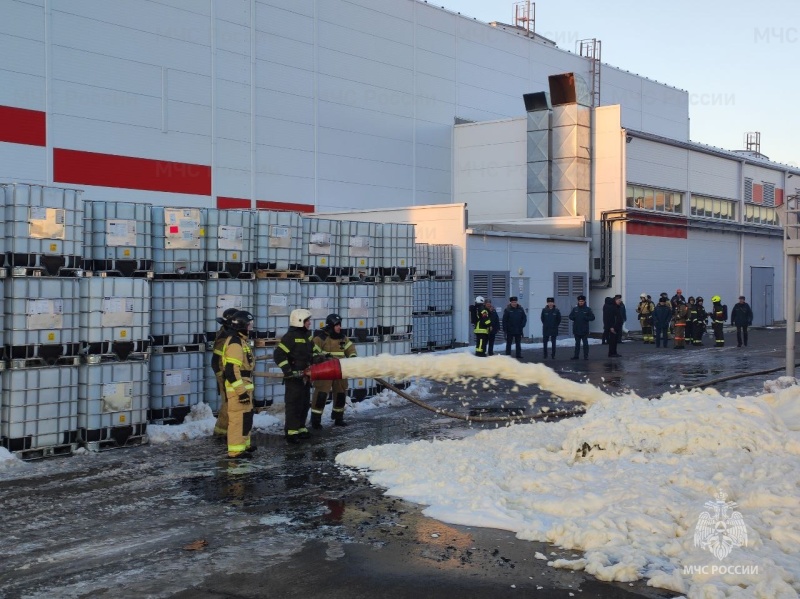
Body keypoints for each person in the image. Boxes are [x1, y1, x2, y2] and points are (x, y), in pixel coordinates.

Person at [274, 308, 324, 443]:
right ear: (300, 321)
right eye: (308, 321)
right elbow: (278, 354)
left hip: (305, 376)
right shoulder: (290, 337)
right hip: (294, 377)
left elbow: (313, 351)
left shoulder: (307, 336)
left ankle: (301, 427)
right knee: (293, 404)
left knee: (303, 403)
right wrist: (287, 370)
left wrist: (320, 358)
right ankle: (291, 432)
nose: (310, 323)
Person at [310, 313, 357, 428]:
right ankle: (316, 420)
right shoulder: (320, 338)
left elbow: (351, 350)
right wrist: (322, 357)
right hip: (324, 372)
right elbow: (312, 353)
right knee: (321, 395)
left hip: (340, 371)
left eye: (340, 325)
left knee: (341, 394)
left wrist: (353, 359)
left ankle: (338, 418)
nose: (339, 327)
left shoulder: (343, 338)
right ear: (331, 325)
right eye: (337, 325)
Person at [220, 311, 256, 458]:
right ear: (241, 326)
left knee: (246, 417)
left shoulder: (241, 340)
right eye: (249, 325)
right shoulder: (235, 342)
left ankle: (244, 445)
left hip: (244, 387)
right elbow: (231, 370)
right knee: (237, 419)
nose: (250, 328)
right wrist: (241, 392)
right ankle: (235, 451)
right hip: (237, 390)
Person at [212, 307, 240, 439]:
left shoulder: (229, 333)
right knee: (228, 403)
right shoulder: (224, 336)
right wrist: (221, 376)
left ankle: (227, 430)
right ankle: (221, 433)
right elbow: (216, 360)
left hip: (229, 373)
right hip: (224, 373)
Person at [568, 295, 595, 360]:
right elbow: (570, 316)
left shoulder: (588, 309)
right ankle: (576, 356)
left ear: (584, 301)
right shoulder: (575, 309)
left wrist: (586, 318)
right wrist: (573, 318)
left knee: (585, 344)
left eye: (582, 301)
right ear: (578, 301)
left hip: (584, 330)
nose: (581, 302)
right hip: (576, 329)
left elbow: (593, 317)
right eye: (579, 301)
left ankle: (585, 356)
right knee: (577, 344)